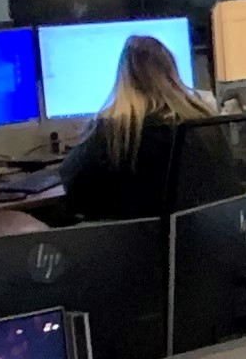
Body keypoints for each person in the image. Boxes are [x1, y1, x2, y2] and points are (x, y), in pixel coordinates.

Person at [46, 31, 214, 223]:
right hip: (207, 242)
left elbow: (74, 187)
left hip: (136, 246)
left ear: (124, 77)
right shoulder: (204, 119)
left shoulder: (113, 130)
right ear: (171, 71)